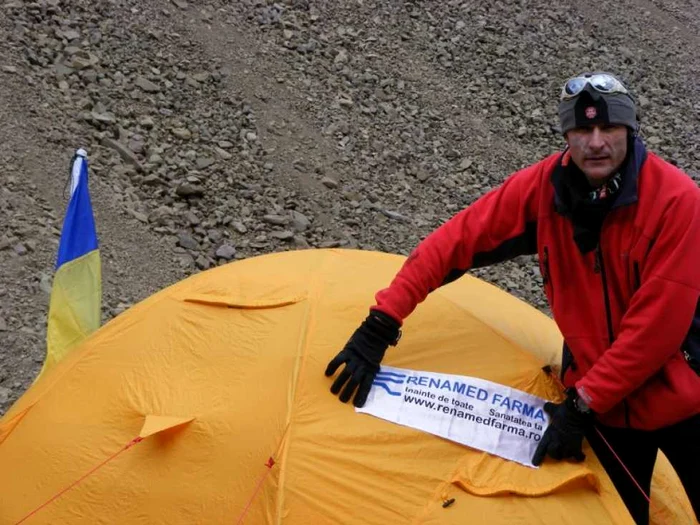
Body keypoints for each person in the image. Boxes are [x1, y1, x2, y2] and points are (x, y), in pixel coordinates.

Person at [324, 72, 700, 524]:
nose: (595, 142)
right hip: (605, 409)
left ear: (630, 130)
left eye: (609, 129)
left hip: (685, 395)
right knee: (619, 516)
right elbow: (455, 241)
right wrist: (382, 322)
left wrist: (584, 404)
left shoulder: (678, 202)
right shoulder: (546, 190)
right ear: (566, 135)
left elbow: (655, 330)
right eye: (581, 130)